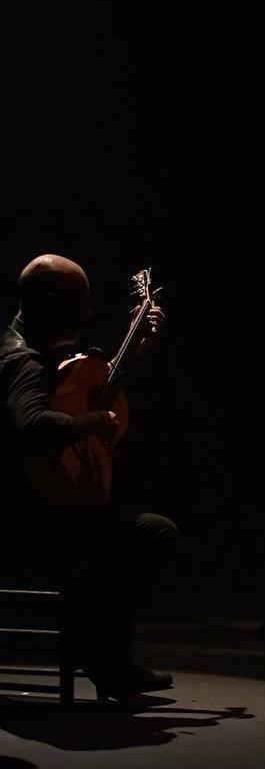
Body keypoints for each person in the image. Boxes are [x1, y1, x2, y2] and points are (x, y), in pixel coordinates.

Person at [1, 254, 178, 699]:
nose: (88, 314)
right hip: (26, 525)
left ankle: (101, 650)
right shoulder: (23, 364)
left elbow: (77, 395)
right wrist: (91, 425)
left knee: (115, 525)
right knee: (150, 533)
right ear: (48, 302)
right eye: (79, 303)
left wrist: (130, 357)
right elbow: (37, 426)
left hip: (30, 513)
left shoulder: (23, 349)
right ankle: (100, 652)